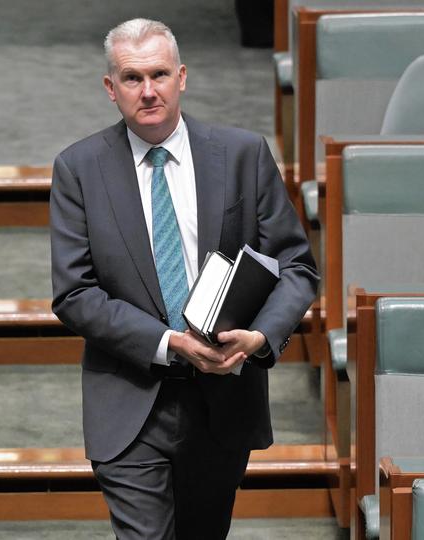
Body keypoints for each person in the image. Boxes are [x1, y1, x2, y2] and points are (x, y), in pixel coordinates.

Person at [50, 18, 318, 539]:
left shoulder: (242, 154)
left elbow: (297, 266)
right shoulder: (79, 168)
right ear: (111, 88)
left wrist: (260, 337)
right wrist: (169, 342)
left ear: (182, 77)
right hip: (130, 401)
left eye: (159, 74)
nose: (148, 91)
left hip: (221, 400)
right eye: (132, 78)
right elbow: (74, 292)